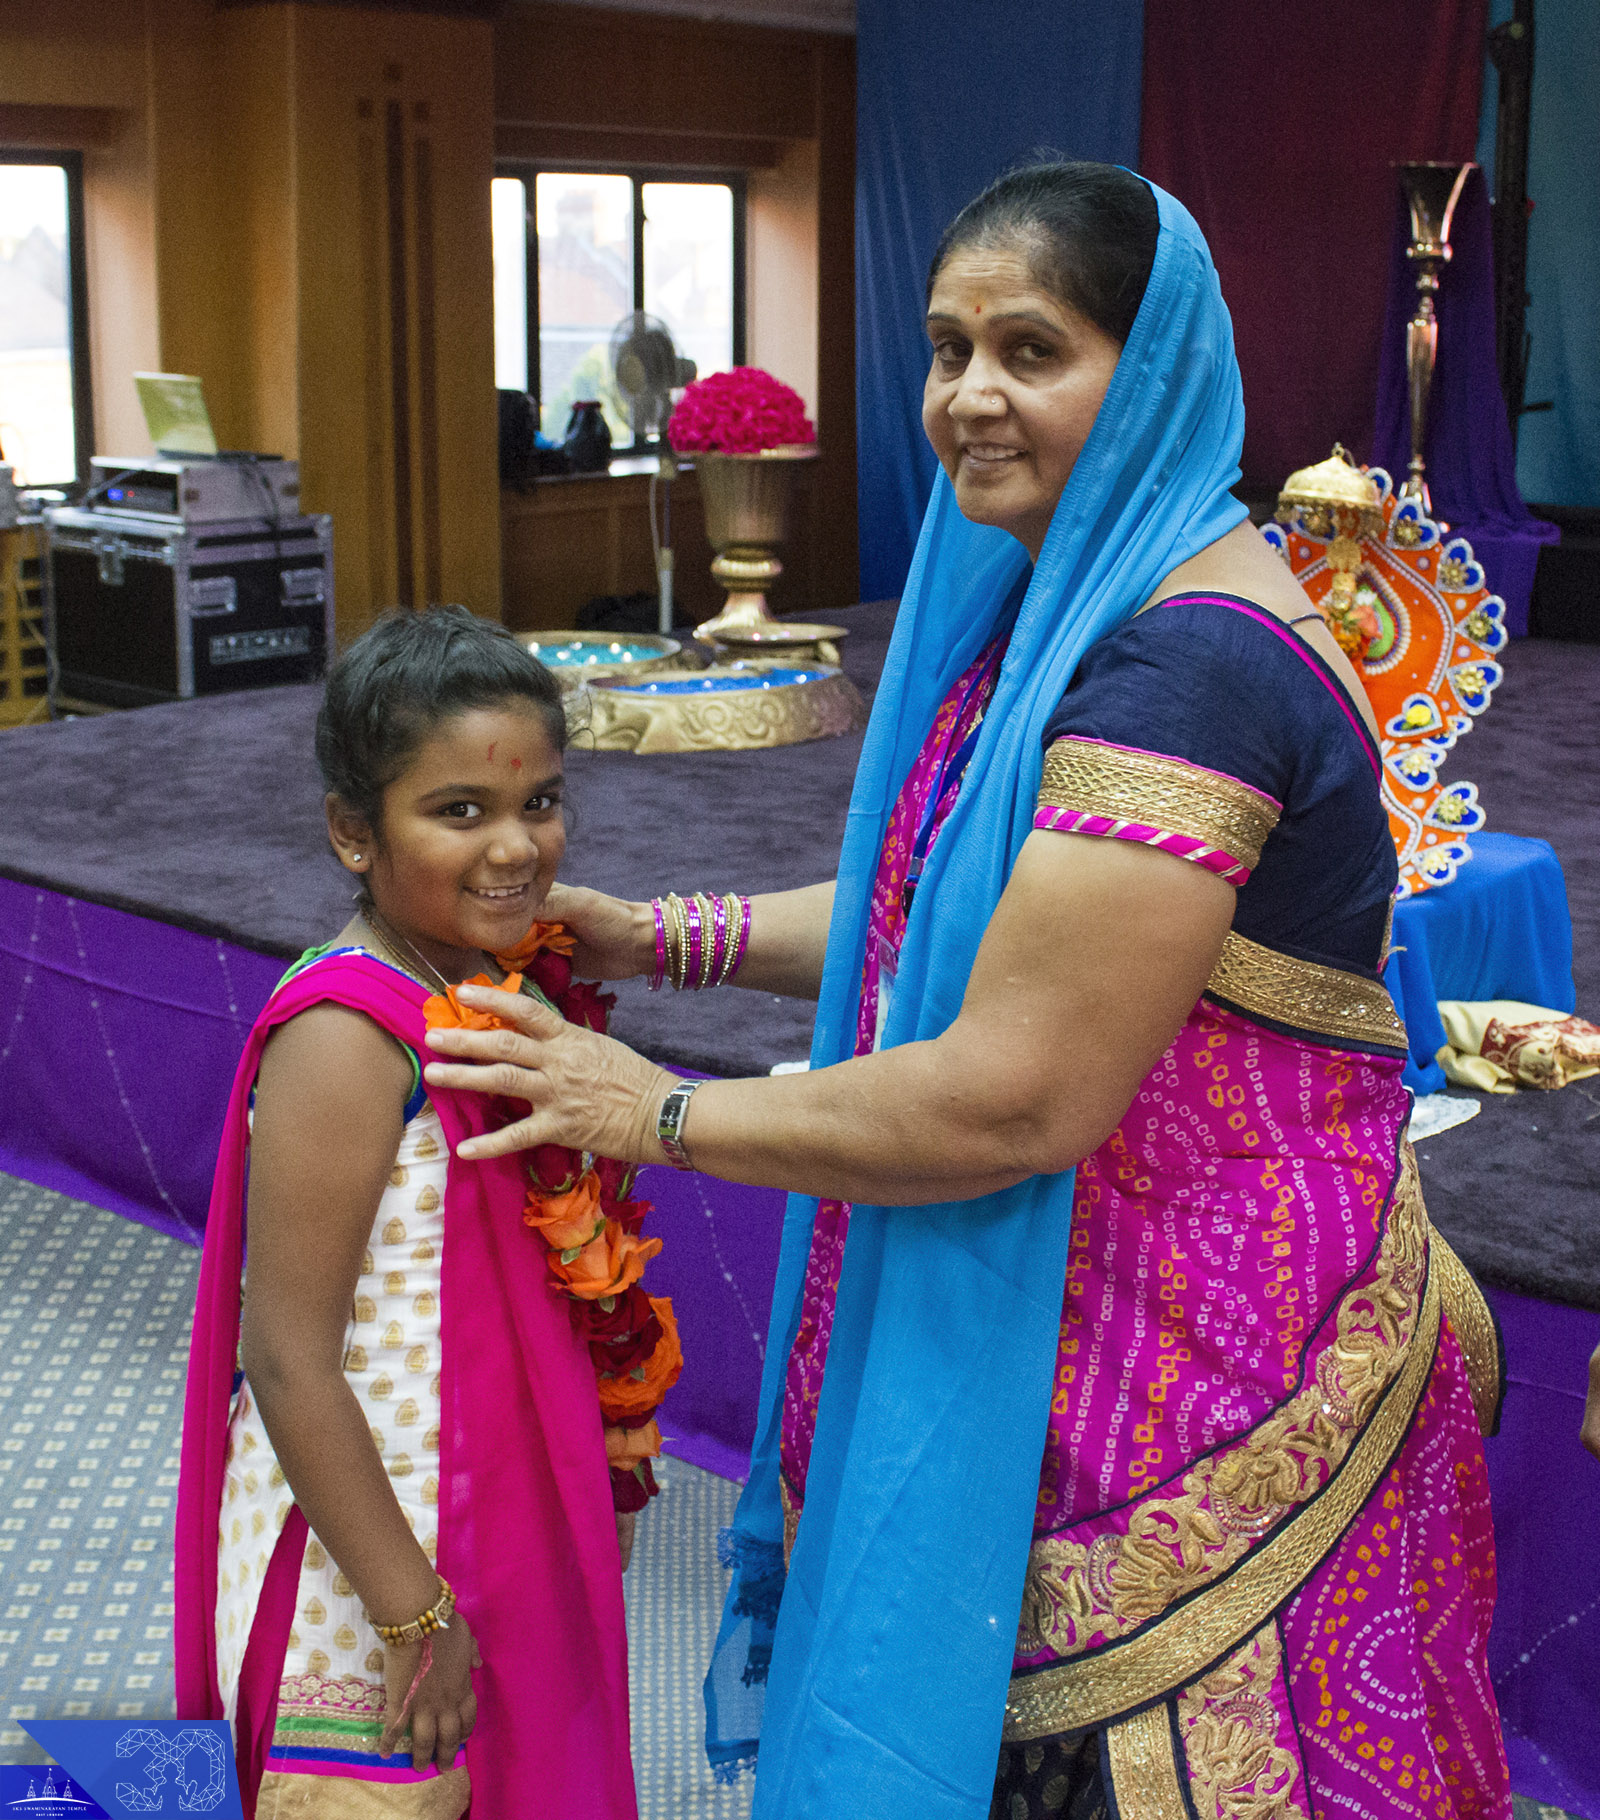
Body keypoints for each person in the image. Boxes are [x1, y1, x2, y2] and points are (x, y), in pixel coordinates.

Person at [423, 166, 1511, 1819]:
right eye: (947, 347)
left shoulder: (1186, 672)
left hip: (1197, 1403)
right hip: (1069, 1324)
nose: (970, 398)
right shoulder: (1071, 609)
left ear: (1145, 374)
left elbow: (1019, 1086)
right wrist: (657, 935)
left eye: (1031, 348)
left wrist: (646, 1110)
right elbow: (937, 911)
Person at [175, 607, 680, 1820]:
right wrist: (412, 1609)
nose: (517, 845)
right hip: (367, 1562)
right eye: (459, 811)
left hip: (484, 1511)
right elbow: (288, 1359)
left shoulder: (492, 988)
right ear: (353, 831)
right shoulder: (348, 1036)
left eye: (541, 801)